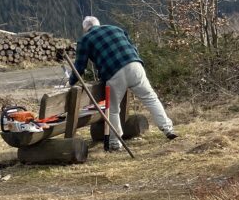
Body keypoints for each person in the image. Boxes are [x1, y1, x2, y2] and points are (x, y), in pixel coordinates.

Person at [69, 16, 177, 151]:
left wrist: (71, 82)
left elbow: (79, 67)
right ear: (99, 24)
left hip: (113, 73)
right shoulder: (116, 29)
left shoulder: (85, 39)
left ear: (85, 29)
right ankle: (168, 129)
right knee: (151, 98)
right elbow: (133, 47)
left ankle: (115, 142)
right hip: (134, 65)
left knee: (113, 109)